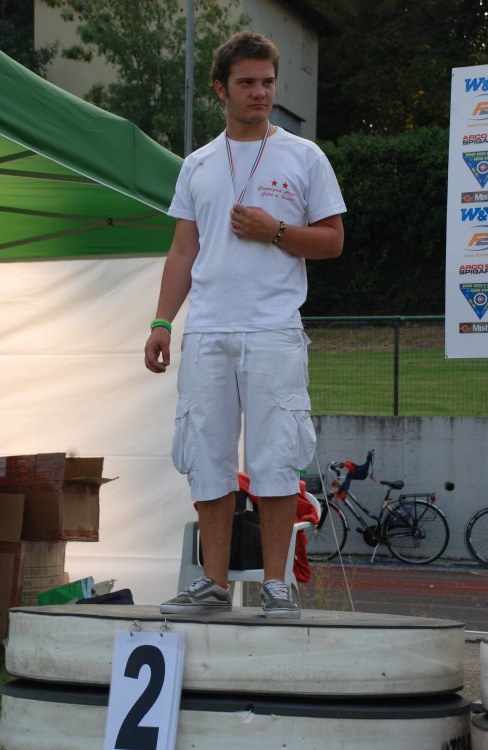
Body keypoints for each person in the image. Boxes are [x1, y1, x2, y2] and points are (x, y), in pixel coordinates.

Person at [144, 31, 346, 619]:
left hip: (273, 330)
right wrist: (161, 321)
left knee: (276, 458)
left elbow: (333, 240)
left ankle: (276, 586)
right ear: (220, 88)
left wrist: (273, 230)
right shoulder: (197, 164)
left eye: (267, 82)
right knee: (206, 456)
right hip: (207, 331)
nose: (260, 92)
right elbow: (183, 251)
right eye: (247, 82)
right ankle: (211, 584)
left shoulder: (305, 156)